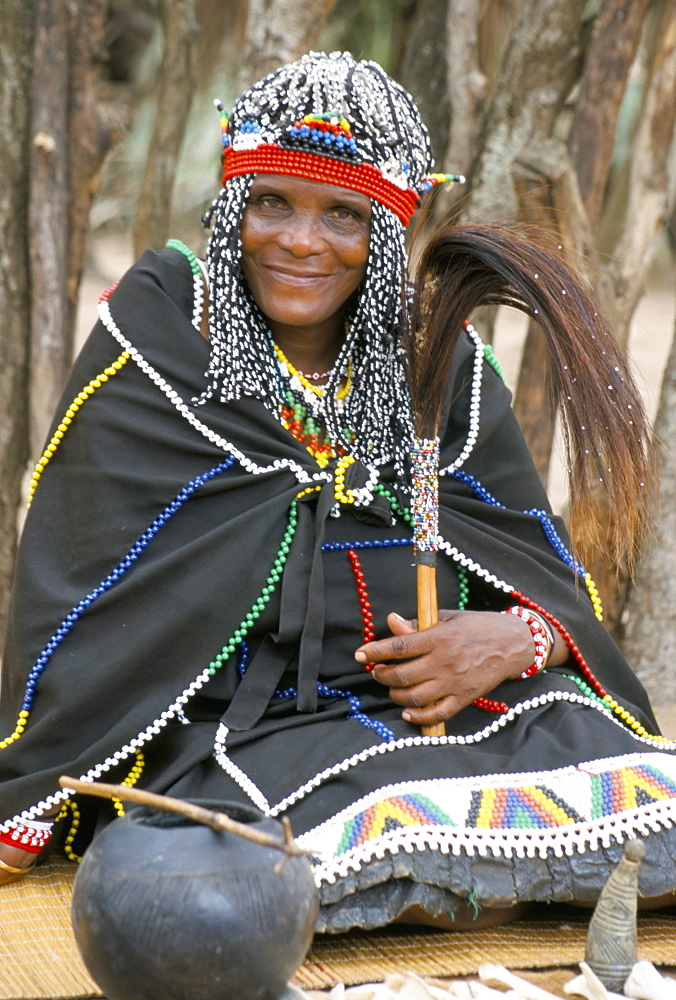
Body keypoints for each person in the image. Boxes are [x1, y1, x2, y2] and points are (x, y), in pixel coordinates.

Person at [1, 51, 675, 932]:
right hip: (238, 734)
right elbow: (87, 606)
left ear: (389, 231)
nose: (302, 240)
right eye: (272, 201)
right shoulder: (160, 349)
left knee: (643, 796)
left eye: (345, 214)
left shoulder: (434, 364)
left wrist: (513, 638)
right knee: (235, 887)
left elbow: (534, 564)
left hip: (465, 712)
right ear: (231, 202)